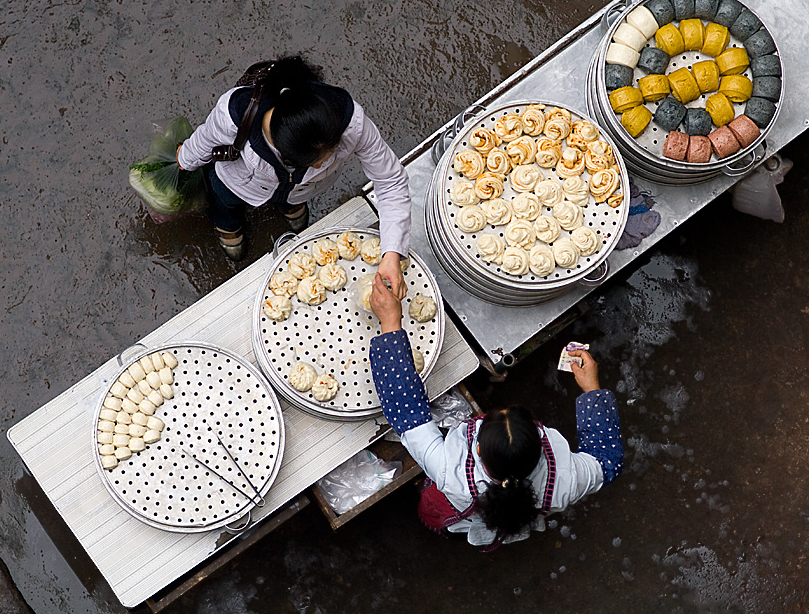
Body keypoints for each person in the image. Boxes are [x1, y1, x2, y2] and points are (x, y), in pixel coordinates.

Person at [367, 275, 623, 546]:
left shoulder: (448, 472)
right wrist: (592, 390)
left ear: (477, 448)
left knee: (433, 509)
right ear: (539, 448)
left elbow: (406, 410)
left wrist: (390, 322)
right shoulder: (567, 477)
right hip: (512, 516)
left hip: (458, 508)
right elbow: (607, 462)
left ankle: (439, 532)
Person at [177, 56, 410, 292]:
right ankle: (229, 227)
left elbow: (390, 180)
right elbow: (204, 141)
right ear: (284, 152)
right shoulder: (234, 116)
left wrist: (392, 251)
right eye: (314, 163)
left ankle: (291, 205)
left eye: (329, 157)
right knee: (225, 202)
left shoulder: (351, 122)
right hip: (239, 183)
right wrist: (183, 161)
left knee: (295, 195)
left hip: (300, 189)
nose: (320, 167)